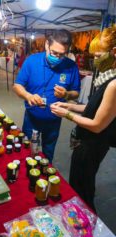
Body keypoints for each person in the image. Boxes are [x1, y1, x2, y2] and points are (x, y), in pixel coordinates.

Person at [50, 25, 116, 211]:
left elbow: (96, 125)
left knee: (83, 189)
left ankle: (86, 225)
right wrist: (68, 104)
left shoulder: (113, 84)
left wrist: (67, 114)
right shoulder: (107, 78)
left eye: (97, 55)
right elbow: (94, 108)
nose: (94, 60)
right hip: (87, 141)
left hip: (92, 144)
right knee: (80, 183)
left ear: (114, 52)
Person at [13, 29, 80, 162]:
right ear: (46, 45)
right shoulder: (32, 61)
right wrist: (28, 96)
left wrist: (66, 94)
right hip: (32, 119)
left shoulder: (71, 66)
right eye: (54, 53)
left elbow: (76, 92)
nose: (57, 58)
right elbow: (17, 86)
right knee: (27, 152)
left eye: (62, 54)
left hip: (54, 120)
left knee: (48, 155)